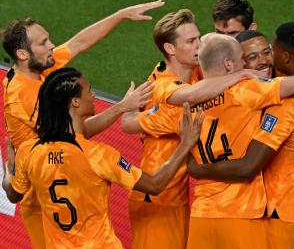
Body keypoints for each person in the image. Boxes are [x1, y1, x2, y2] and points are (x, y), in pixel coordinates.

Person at [126, 33, 294, 249]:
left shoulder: (182, 108)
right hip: (243, 212)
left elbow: (130, 124)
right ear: (228, 64)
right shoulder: (246, 90)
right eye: (241, 59)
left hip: (203, 214)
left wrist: (129, 108)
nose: (245, 64)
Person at [1, 0, 163, 248]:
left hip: (67, 179)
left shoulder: (37, 69)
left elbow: (77, 43)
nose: (52, 46)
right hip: (44, 199)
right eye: (43, 43)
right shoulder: (22, 97)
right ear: (23, 54)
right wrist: (121, 107)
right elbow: (77, 131)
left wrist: (119, 14)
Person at [1, 67, 203, 248]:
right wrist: (185, 144)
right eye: (89, 90)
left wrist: (8, 175)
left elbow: (14, 195)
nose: (93, 94)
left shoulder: (29, 151)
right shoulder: (98, 155)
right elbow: (155, 185)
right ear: (75, 102)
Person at [122, 8, 267, 249]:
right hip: (158, 199)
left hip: (176, 197)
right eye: (191, 41)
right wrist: (242, 74)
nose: (198, 45)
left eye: (198, 38)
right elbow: (132, 123)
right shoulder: (167, 92)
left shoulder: (192, 72)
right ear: (170, 49)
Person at [187, 22, 294, 249]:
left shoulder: (277, 103)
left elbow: (248, 166)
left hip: (286, 210)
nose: (263, 61)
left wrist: (195, 167)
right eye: (251, 57)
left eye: (267, 52)